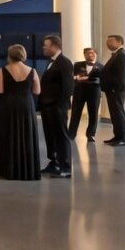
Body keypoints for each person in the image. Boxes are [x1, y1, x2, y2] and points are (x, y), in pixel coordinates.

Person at [0, 44, 42, 180]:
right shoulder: (32, 70)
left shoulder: (3, 70)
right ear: (23, 55)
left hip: (8, 105)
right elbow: (37, 91)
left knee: (8, 136)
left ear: (9, 55)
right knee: (27, 136)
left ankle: (8, 170)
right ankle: (27, 171)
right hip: (26, 105)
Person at [38, 35, 73, 178]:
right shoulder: (51, 62)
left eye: (46, 45)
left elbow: (68, 87)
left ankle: (65, 167)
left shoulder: (64, 63)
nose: (44, 48)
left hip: (57, 107)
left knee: (61, 136)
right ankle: (54, 162)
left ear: (54, 46)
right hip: (48, 106)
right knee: (50, 136)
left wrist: (59, 106)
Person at [102, 35, 125, 146]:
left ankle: (122, 139)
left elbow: (121, 75)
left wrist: (114, 88)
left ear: (119, 42)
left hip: (116, 90)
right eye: (107, 41)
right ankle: (117, 136)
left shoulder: (121, 55)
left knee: (119, 114)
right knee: (114, 115)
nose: (108, 43)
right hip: (112, 90)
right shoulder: (117, 54)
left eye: (111, 41)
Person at [69, 47, 102, 142]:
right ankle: (71, 133)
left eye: (93, 53)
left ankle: (91, 134)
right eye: (88, 53)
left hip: (94, 91)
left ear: (96, 54)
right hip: (80, 91)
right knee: (75, 112)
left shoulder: (101, 66)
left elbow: (102, 79)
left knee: (93, 114)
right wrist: (77, 78)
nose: (91, 55)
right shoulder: (77, 64)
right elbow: (74, 76)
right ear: (84, 55)